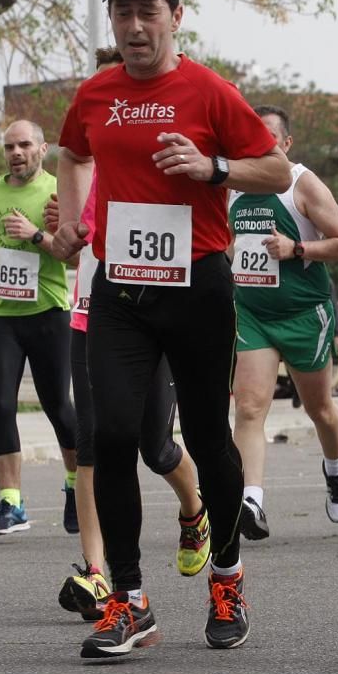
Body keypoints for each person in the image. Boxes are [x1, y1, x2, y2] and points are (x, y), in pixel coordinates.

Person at [54, 0, 291, 658]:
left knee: (210, 439)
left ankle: (227, 576)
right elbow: (72, 154)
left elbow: (274, 167)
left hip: (198, 284)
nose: (133, 25)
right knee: (114, 435)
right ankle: (129, 601)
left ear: (175, 16)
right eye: (122, 12)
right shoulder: (95, 93)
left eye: (146, 11)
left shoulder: (210, 91)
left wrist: (215, 168)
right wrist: (72, 224)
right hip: (121, 289)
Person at [50, 49, 208, 622]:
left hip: (151, 312)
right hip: (91, 316)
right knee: (95, 444)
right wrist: (60, 235)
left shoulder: (148, 160)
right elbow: (69, 245)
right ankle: (98, 574)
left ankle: (194, 509)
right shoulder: (78, 167)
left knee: (155, 447)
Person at [231, 105, 338, 539]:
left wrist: (296, 248)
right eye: (249, 136)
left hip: (304, 314)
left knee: (320, 410)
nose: (257, 145)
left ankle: (335, 470)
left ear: (285, 145)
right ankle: (251, 500)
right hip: (252, 313)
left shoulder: (301, 184)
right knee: (248, 406)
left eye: (267, 138)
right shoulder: (230, 183)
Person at [0, 120, 79, 537]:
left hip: (48, 313)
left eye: (24, 144)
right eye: (9, 146)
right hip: (0, 314)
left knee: (59, 408)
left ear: (42, 148)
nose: (16, 152)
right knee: (0, 405)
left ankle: (74, 487)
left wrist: (36, 236)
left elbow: (73, 258)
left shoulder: (58, 191)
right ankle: (11, 503)